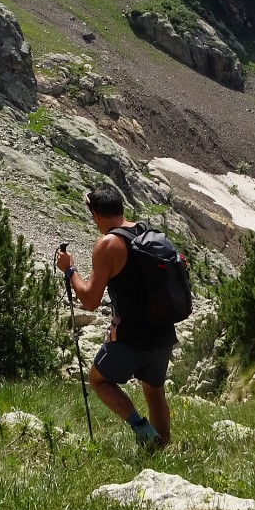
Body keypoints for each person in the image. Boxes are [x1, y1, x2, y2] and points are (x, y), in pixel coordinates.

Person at [55, 184, 173, 450]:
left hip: (131, 334)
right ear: (121, 207)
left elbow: (90, 301)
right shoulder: (146, 232)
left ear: (96, 216)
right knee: (154, 390)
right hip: (163, 330)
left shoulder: (108, 243)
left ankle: (142, 429)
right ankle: (162, 450)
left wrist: (69, 269)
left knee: (98, 379)